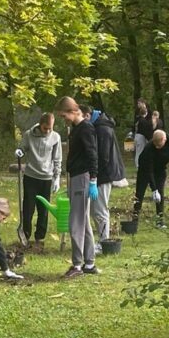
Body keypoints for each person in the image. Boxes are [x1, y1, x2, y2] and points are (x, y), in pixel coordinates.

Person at [54, 96, 101, 278]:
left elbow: (92, 154)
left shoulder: (86, 128)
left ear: (73, 111)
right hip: (76, 177)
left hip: (83, 177)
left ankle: (77, 265)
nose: (63, 119)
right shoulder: (76, 129)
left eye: (64, 115)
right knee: (83, 221)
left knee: (75, 222)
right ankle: (89, 263)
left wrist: (93, 180)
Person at [15, 113, 62, 252]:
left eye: (50, 128)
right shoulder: (29, 135)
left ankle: (39, 238)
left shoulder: (55, 137)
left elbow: (57, 159)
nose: (47, 131)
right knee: (28, 207)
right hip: (31, 176)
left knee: (43, 209)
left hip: (46, 178)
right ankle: (25, 235)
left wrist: (57, 178)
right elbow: (22, 148)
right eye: (45, 128)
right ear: (40, 124)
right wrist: (19, 151)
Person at [82, 105, 126, 244]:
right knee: (96, 210)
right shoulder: (99, 125)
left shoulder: (102, 129)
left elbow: (103, 157)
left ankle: (104, 242)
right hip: (100, 174)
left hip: (104, 174)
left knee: (100, 210)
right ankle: (102, 240)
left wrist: (94, 177)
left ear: (87, 115)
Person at [132, 129, 169, 228]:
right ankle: (134, 220)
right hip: (145, 169)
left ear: (164, 140)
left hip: (160, 170)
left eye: (159, 146)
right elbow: (149, 170)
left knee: (160, 193)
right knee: (139, 194)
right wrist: (154, 189)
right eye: (155, 145)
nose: (157, 147)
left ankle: (160, 221)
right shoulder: (149, 148)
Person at [129, 99, 157, 167]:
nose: (138, 105)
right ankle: (139, 165)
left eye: (139, 103)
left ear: (143, 103)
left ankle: (141, 165)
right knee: (140, 151)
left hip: (142, 134)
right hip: (142, 135)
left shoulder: (147, 113)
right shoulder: (141, 119)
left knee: (140, 151)